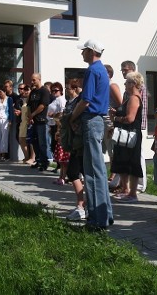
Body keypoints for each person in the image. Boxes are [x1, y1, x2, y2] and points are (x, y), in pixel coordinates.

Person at [71, 39, 113, 231]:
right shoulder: (102, 70)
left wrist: (72, 117)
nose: (82, 54)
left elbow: (85, 101)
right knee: (99, 170)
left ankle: (97, 219)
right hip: (99, 121)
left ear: (91, 52)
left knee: (92, 172)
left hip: (91, 120)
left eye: (84, 51)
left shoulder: (92, 71)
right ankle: (106, 215)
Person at [111, 72, 144, 203]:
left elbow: (130, 118)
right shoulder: (129, 97)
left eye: (127, 82)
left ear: (133, 84)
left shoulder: (134, 98)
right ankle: (126, 190)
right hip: (125, 135)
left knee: (131, 162)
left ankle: (132, 193)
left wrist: (116, 118)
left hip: (130, 135)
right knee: (123, 162)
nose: (124, 84)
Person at [120, 60, 147, 192]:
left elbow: (142, 108)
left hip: (135, 127)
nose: (122, 72)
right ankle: (127, 186)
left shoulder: (139, 89)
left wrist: (140, 126)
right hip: (127, 128)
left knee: (137, 157)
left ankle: (140, 185)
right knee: (127, 158)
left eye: (124, 69)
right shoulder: (128, 91)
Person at [62, 78, 86, 221]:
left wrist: (69, 120)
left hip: (80, 141)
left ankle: (82, 206)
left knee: (75, 172)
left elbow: (74, 119)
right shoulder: (71, 102)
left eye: (68, 88)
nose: (66, 90)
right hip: (73, 141)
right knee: (75, 173)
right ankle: (82, 205)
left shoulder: (80, 101)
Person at [28, 73, 52, 171]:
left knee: (42, 142)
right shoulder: (33, 92)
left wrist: (33, 114)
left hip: (41, 120)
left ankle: (44, 161)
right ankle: (38, 160)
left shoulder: (44, 91)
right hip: (33, 121)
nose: (32, 82)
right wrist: (30, 117)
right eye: (32, 80)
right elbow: (29, 105)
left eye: (34, 80)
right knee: (34, 141)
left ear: (39, 79)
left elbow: (43, 105)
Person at [105, 64, 122, 187]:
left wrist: (114, 120)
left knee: (113, 149)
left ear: (109, 74)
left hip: (110, 121)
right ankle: (112, 173)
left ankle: (114, 174)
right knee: (109, 149)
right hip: (103, 121)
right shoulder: (103, 86)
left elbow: (120, 104)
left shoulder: (112, 86)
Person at [48, 82, 67, 184]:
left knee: (61, 151)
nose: (54, 92)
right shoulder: (54, 100)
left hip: (59, 126)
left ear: (61, 91)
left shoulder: (61, 100)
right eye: (52, 91)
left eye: (56, 90)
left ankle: (63, 175)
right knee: (55, 149)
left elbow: (63, 113)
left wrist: (54, 115)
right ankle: (61, 174)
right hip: (53, 125)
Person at [0, 87, 14, 161]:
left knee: (4, 136)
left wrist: (10, 120)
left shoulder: (9, 99)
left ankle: (3, 155)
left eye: (1, 92)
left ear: (5, 92)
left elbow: (11, 109)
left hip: (5, 119)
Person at [17, 83, 34, 164]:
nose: (26, 91)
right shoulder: (24, 100)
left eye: (28, 90)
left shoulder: (32, 100)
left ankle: (32, 157)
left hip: (29, 122)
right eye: (25, 90)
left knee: (30, 141)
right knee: (21, 139)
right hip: (23, 122)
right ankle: (26, 156)